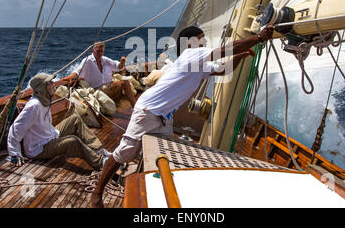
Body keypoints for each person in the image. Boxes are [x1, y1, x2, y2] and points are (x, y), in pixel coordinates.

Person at [89, 25, 275, 207]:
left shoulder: (198, 65)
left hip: (164, 117)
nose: (204, 42)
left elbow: (223, 70)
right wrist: (258, 38)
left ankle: (152, 194)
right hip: (148, 111)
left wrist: (241, 56)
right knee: (125, 153)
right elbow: (225, 50)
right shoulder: (189, 55)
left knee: (165, 156)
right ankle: (96, 195)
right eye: (201, 39)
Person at [7, 73, 109, 170]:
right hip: (38, 148)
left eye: (52, 81)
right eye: (49, 83)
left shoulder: (45, 99)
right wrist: (14, 154)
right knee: (72, 141)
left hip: (50, 136)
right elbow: (16, 128)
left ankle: (99, 149)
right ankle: (101, 162)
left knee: (75, 119)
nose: (53, 84)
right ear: (42, 87)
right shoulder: (34, 106)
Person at [65, 41, 137, 107]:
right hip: (97, 89)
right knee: (124, 83)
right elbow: (77, 71)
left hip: (108, 85)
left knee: (125, 83)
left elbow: (117, 66)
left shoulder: (104, 60)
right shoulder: (88, 60)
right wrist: (71, 77)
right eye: (98, 51)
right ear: (93, 50)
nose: (100, 53)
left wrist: (122, 62)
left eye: (101, 51)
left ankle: (133, 106)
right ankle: (135, 107)